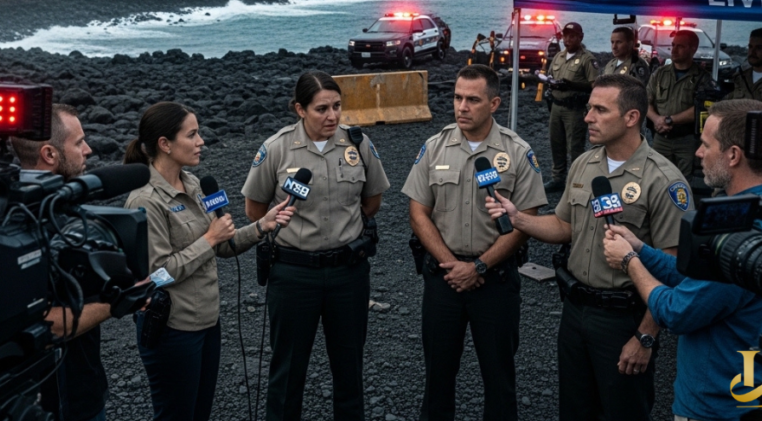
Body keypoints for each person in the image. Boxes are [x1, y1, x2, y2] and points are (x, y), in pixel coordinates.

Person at [487, 75, 690, 421]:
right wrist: (518, 218)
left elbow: (674, 269)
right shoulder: (584, 164)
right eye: (588, 108)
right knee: (575, 409)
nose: (587, 118)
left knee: (623, 411)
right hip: (576, 311)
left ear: (631, 118)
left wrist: (645, 336)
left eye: (600, 110)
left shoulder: (664, 180)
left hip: (625, 319)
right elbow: (565, 225)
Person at [601, 98, 762, 421]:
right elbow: (697, 278)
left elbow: (677, 311)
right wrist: (642, 249)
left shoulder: (740, 234)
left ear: (733, 155)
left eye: (706, 145)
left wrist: (629, 262)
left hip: (720, 405)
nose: (698, 153)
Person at [122, 101, 295, 421]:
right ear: (165, 144)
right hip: (172, 332)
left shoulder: (198, 185)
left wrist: (262, 225)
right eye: (193, 134)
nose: (202, 140)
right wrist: (209, 239)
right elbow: (155, 276)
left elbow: (224, 245)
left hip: (207, 324)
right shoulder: (144, 199)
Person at [241, 71, 390, 421]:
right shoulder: (277, 148)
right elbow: (255, 210)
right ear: (300, 109)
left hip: (348, 273)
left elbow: (372, 201)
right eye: (322, 108)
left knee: (349, 369)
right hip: (293, 274)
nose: (332, 116)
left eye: (337, 107)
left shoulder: (358, 144)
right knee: (287, 373)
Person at [402, 65, 547, 421]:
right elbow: (418, 212)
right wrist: (453, 265)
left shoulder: (517, 152)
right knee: (437, 377)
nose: (461, 107)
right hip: (444, 278)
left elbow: (525, 222)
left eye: (472, 100)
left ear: (495, 103)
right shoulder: (435, 147)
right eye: (457, 97)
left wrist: (479, 266)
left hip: (495, 281)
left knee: (499, 379)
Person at [10, 104, 107, 421]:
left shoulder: (3, 208)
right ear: (50, 154)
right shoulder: (34, 224)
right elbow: (50, 323)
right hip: (62, 402)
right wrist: (118, 301)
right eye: (78, 142)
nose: (88, 150)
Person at [646, 30, 714, 180]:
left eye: (680, 46)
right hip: (661, 138)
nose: (674, 50)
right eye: (673, 45)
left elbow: (702, 108)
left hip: (687, 140)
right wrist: (657, 119)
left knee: (684, 181)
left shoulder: (702, 78)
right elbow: (646, 101)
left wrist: (670, 120)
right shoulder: (660, 74)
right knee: (655, 177)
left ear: (693, 49)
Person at [545, 21, 598, 192]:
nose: (568, 40)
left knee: (575, 146)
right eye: (565, 36)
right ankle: (558, 178)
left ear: (580, 37)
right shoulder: (559, 57)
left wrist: (571, 85)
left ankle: (577, 181)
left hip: (574, 108)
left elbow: (595, 86)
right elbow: (551, 76)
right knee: (556, 143)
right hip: (556, 106)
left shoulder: (587, 59)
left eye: (572, 36)